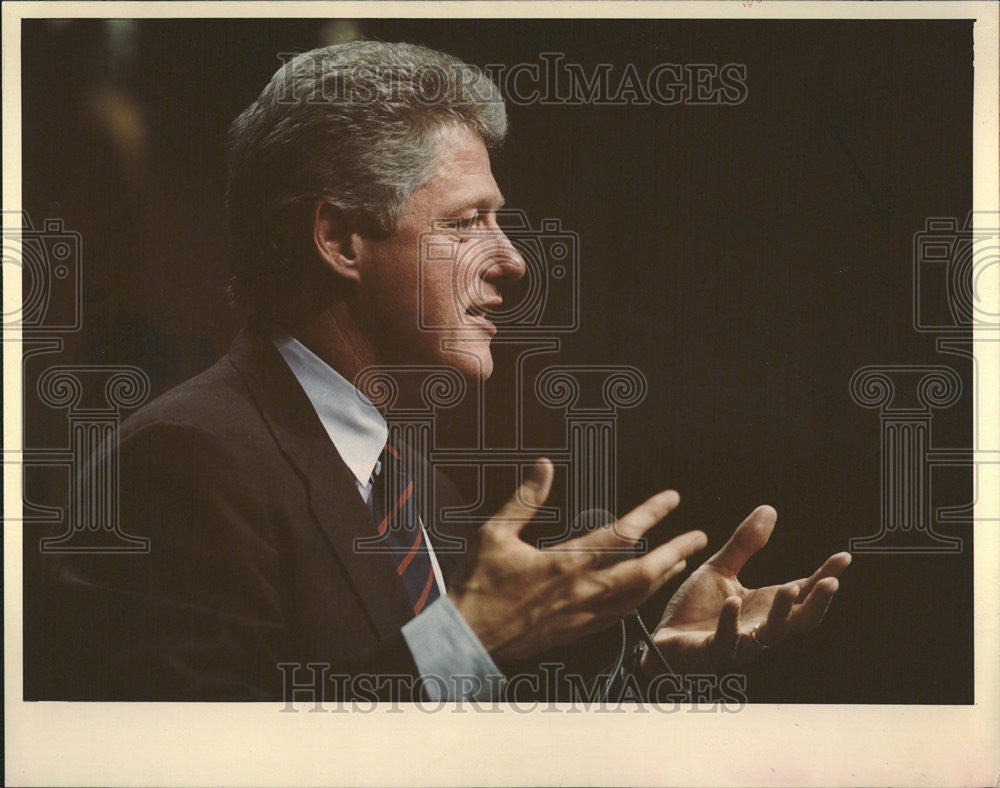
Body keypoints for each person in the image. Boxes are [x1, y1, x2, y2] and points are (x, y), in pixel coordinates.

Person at [42, 40, 851, 702]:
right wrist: (460, 642)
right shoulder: (184, 461)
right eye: (468, 223)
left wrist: (654, 670)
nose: (515, 263)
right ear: (341, 241)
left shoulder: (416, 485)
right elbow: (188, 763)